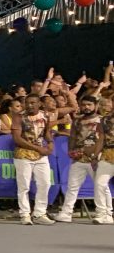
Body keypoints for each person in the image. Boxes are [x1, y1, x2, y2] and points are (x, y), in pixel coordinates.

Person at [55, 94, 104, 223]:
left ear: (96, 106)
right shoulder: (77, 121)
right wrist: (71, 151)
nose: (86, 107)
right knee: (72, 186)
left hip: (96, 158)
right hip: (79, 158)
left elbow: (104, 140)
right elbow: (72, 137)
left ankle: (104, 213)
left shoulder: (102, 120)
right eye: (84, 105)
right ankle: (66, 213)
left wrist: (97, 156)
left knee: (101, 186)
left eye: (89, 105)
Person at [12, 93, 56, 225]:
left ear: (39, 104)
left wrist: (50, 143)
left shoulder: (45, 116)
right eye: (27, 103)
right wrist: (38, 148)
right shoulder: (19, 116)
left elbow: (47, 132)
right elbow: (17, 138)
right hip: (23, 154)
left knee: (45, 183)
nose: (30, 105)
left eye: (33, 103)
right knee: (24, 186)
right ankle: (24, 214)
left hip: (41, 155)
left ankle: (39, 213)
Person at [94, 95, 114, 225]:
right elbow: (101, 139)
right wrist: (96, 156)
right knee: (100, 183)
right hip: (108, 154)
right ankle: (103, 214)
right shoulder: (104, 120)